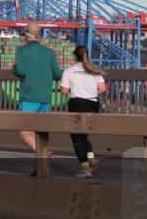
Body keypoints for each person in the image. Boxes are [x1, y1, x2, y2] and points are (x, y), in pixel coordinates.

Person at [12, 22, 63, 155]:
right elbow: (58, 74)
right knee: (40, 132)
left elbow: (21, 72)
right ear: (40, 36)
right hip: (46, 97)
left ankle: (42, 153)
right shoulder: (49, 52)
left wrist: (14, 68)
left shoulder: (21, 51)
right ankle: (40, 169)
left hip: (29, 96)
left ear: (26, 35)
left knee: (25, 131)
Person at [60, 45, 107, 178]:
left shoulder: (69, 71)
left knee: (76, 138)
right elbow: (103, 88)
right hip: (93, 104)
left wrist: (76, 91)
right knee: (83, 135)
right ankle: (91, 158)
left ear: (74, 56)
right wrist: (90, 93)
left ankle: (85, 169)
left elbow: (64, 91)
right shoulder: (94, 70)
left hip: (77, 104)